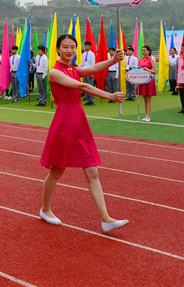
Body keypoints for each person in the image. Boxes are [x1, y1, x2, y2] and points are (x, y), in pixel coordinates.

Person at [39, 34, 128, 233]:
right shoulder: (55, 72)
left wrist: (113, 60)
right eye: (65, 47)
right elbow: (82, 85)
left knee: (92, 171)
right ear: (58, 49)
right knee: (57, 170)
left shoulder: (74, 69)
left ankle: (106, 219)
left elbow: (95, 68)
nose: (69, 50)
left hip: (79, 122)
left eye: (73, 47)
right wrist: (110, 96)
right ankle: (45, 209)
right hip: (64, 124)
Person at [136, 45, 157, 121]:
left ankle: (148, 116)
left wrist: (148, 70)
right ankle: (146, 115)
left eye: (145, 50)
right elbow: (138, 68)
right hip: (142, 80)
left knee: (149, 98)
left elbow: (155, 72)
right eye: (142, 51)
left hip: (149, 80)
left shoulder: (151, 60)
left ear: (148, 51)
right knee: (144, 98)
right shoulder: (140, 60)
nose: (143, 52)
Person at [80, 41, 96, 105]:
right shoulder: (84, 54)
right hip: (84, 71)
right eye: (85, 46)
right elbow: (83, 63)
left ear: (89, 46)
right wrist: (78, 65)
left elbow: (93, 64)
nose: (85, 47)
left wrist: (91, 73)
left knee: (90, 86)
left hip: (89, 71)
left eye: (87, 46)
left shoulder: (92, 54)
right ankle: (87, 100)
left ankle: (92, 100)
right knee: (85, 86)